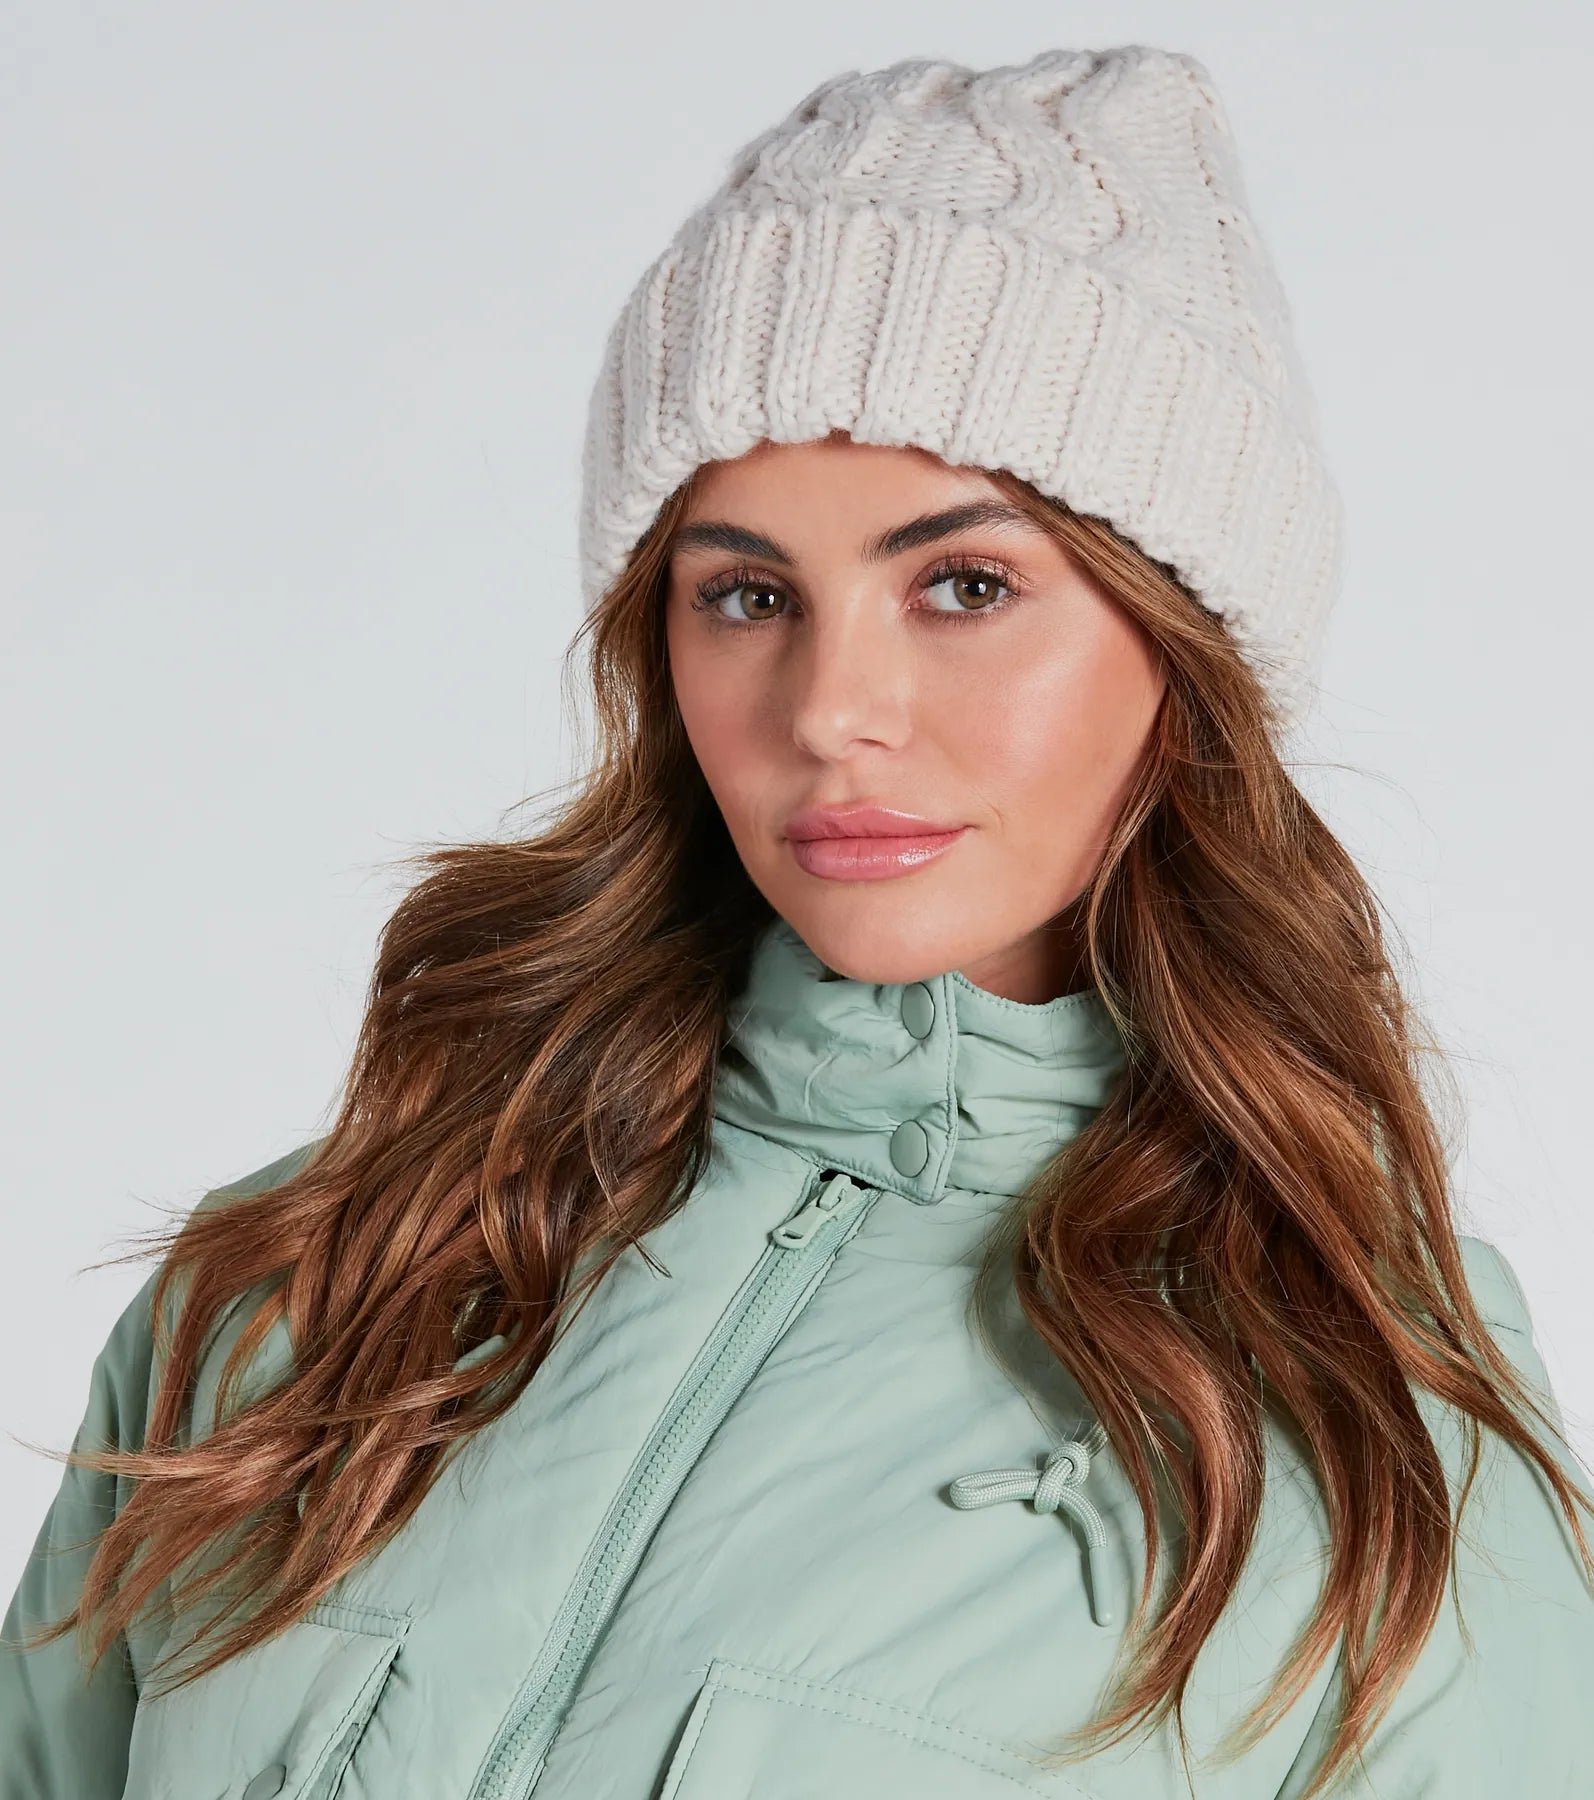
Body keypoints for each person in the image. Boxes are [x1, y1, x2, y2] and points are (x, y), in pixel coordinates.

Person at [4, 43, 1591, 1800]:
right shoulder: (313, 1283)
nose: (832, 710)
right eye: (746, 594)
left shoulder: (1373, 1450)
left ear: (1180, 644)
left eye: (965, 584)